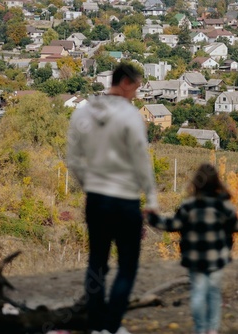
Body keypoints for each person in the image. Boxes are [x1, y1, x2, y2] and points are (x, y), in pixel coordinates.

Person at [67, 63, 158, 334]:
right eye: (138, 87)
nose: (137, 94)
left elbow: (73, 160)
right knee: (127, 265)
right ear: (127, 82)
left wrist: (89, 185)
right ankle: (113, 326)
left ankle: (96, 326)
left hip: (96, 199)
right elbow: (141, 160)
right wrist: (151, 196)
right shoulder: (130, 117)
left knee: (97, 262)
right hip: (125, 200)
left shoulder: (83, 113)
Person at [146, 163, 238, 334]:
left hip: (194, 259)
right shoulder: (225, 207)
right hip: (217, 258)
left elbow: (173, 225)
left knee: (198, 293)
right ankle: (213, 329)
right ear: (217, 183)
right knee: (214, 294)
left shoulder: (189, 205)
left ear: (196, 183)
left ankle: (200, 329)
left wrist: (152, 218)